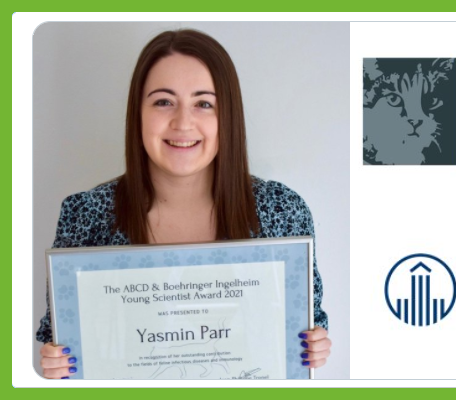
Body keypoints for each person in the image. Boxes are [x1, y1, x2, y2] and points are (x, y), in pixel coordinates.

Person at [36, 29, 331, 379]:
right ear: (138, 114)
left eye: (204, 103)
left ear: (228, 117)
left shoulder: (283, 210)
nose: (183, 122)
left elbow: (306, 330)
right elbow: (62, 343)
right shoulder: (85, 215)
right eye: (163, 101)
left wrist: (315, 346)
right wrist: (55, 363)